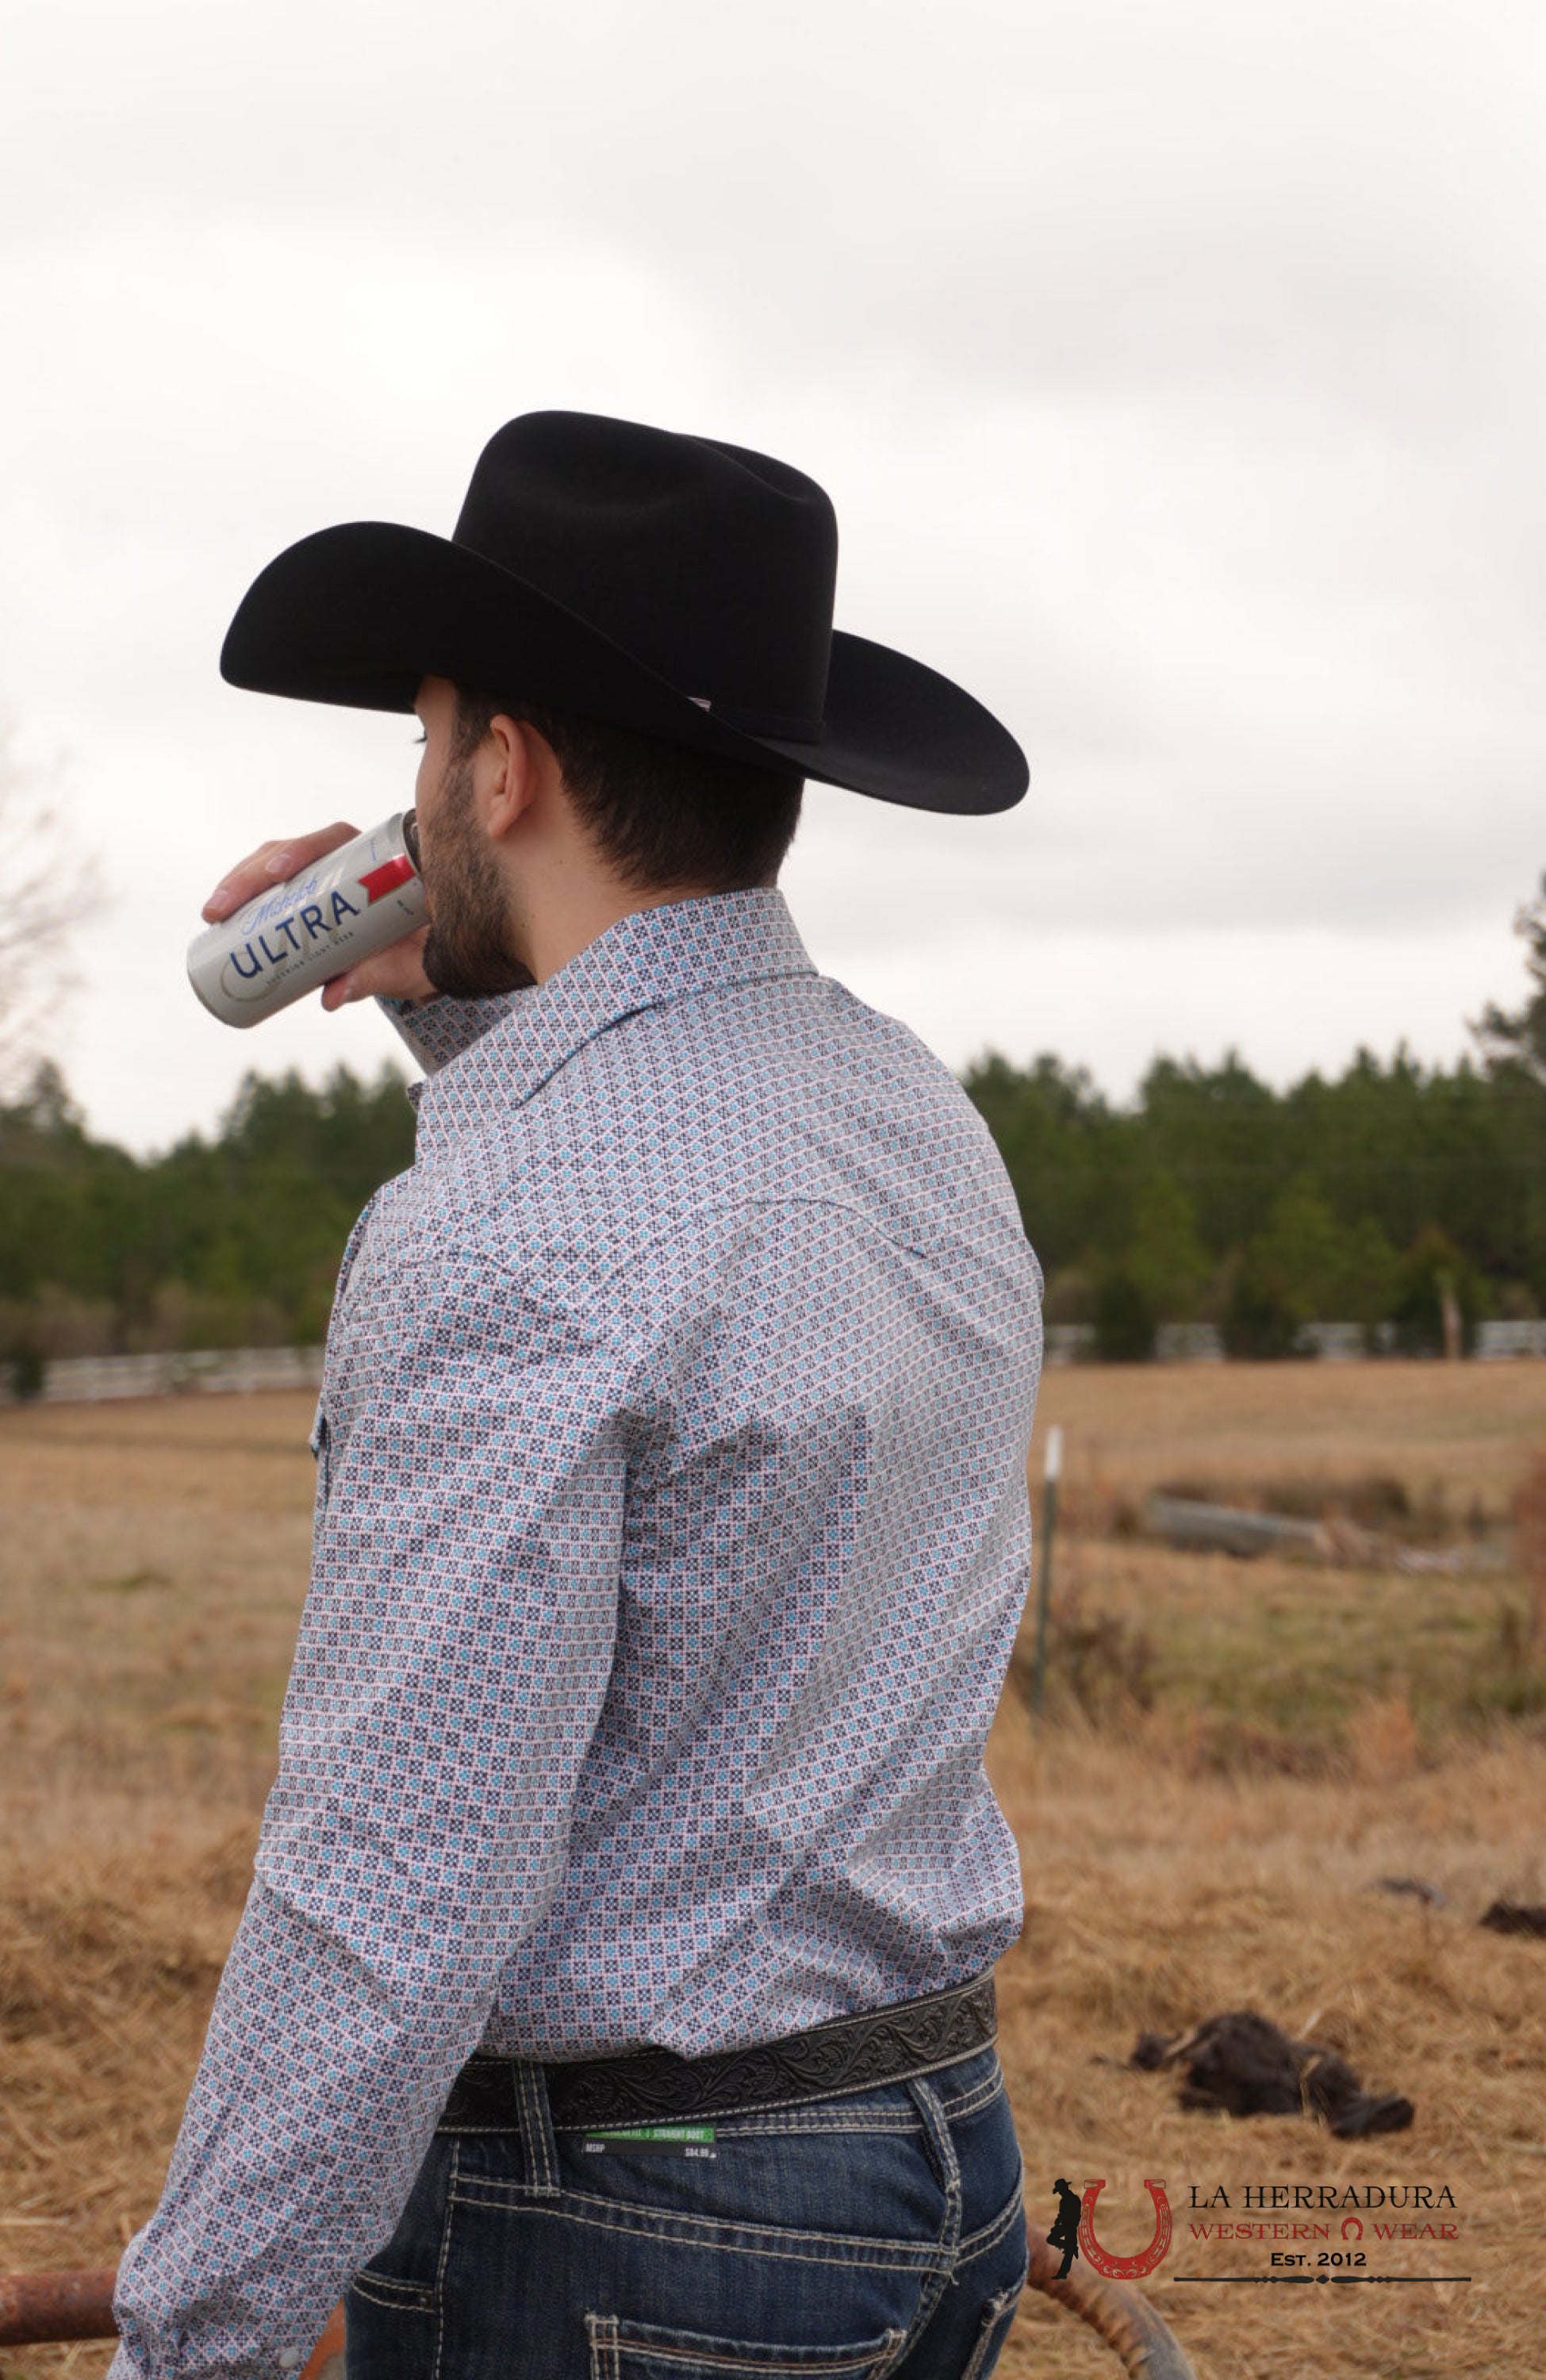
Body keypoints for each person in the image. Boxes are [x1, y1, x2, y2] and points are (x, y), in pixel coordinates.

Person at [111, 411, 1043, 2380]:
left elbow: (391, 1892)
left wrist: (186, 2349)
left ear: (503, 771)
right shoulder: (914, 1118)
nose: (409, 794)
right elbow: (654, 1228)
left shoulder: (507, 1233)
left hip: (633, 2229)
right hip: (936, 2163)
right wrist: (462, 995)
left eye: (427, 742)